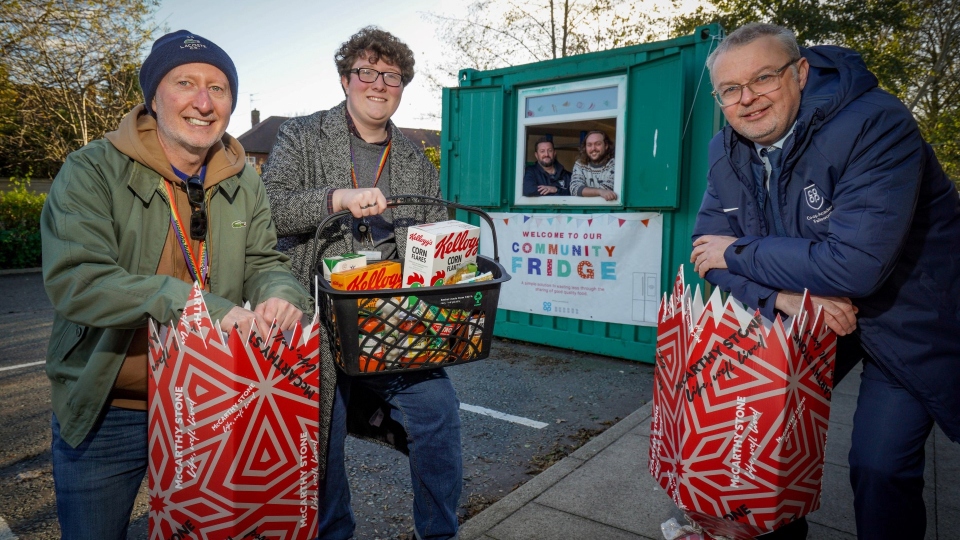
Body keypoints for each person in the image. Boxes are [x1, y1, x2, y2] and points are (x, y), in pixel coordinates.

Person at [690, 22, 960, 540]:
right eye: (730, 90)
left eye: (763, 78)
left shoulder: (876, 123)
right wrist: (780, 296)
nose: (748, 100)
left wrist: (739, 251)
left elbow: (855, 264)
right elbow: (707, 253)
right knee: (751, 430)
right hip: (807, 309)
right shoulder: (725, 150)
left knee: (880, 466)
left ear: (800, 72)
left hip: (902, 315)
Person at [40, 30, 312, 538]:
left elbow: (264, 259)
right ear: (154, 96)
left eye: (219, 87)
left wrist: (281, 293)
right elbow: (77, 279)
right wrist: (191, 303)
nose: (204, 102)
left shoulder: (244, 177)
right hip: (112, 407)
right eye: (185, 82)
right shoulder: (91, 169)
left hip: (215, 401)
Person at [260, 26, 462, 540]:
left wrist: (446, 257)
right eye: (366, 72)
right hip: (317, 316)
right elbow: (271, 210)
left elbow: (423, 240)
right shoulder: (302, 136)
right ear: (346, 78)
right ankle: (334, 533)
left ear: (402, 85)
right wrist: (336, 199)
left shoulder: (415, 158)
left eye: (391, 76)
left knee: (437, 411)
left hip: (390, 318)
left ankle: (439, 533)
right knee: (322, 443)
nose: (379, 84)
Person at [570, 130, 617, 200]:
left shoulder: (614, 164)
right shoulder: (580, 164)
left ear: (606, 146)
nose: (593, 148)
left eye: (598, 144)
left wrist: (587, 191)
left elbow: (608, 189)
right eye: (589, 145)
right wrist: (600, 191)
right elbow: (575, 189)